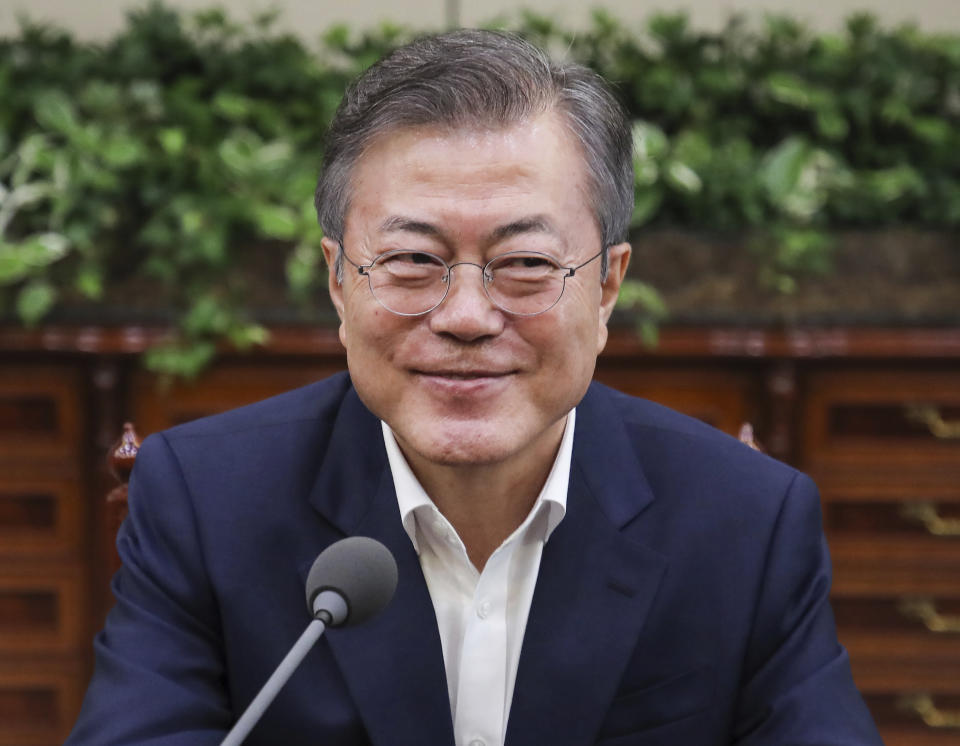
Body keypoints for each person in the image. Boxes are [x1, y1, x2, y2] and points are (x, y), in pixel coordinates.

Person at [67, 29, 882, 745]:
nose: (464, 316)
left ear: (605, 289)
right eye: (413, 260)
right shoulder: (205, 503)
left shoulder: (746, 521)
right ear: (338, 282)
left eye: (525, 265)